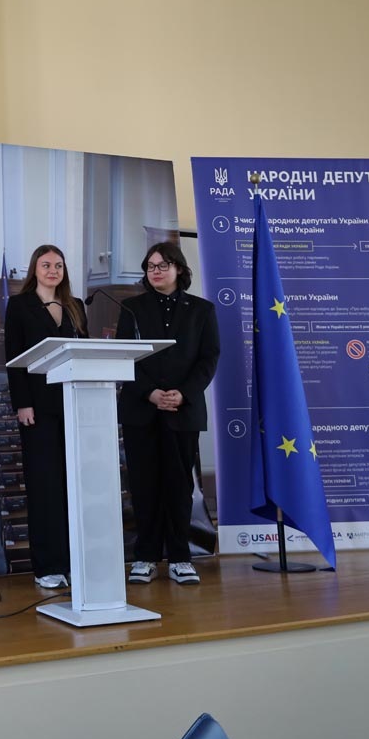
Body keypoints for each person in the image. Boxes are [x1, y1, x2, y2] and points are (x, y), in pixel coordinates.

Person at [116, 242, 219, 585]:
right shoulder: (131, 308)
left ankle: (180, 557)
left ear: (179, 269)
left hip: (182, 409)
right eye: (150, 266)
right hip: (141, 408)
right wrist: (150, 393)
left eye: (162, 265)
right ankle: (145, 557)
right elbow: (124, 356)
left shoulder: (202, 310)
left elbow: (209, 358)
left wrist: (183, 394)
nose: (155, 271)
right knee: (144, 485)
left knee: (178, 485)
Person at [3, 244, 87, 589]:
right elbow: (13, 358)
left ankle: (73, 562)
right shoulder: (20, 305)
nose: (53, 271)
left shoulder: (75, 305)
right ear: (34, 270)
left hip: (73, 404)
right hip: (37, 408)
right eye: (46, 265)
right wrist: (22, 403)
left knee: (72, 487)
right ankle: (47, 566)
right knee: (44, 486)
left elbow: (84, 352)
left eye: (59, 265)